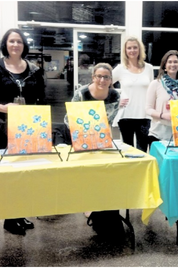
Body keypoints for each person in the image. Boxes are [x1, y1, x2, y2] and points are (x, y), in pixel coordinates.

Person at [0, 28, 46, 235]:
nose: (15, 45)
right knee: (8, 173)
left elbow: (41, 99)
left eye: (19, 41)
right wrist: (4, 107)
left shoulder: (35, 69)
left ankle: (19, 213)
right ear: (5, 44)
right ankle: (9, 219)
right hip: (3, 126)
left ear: (24, 45)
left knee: (25, 173)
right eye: (11, 41)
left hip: (28, 128)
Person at [63, 62, 120, 220]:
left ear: (111, 79)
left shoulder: (115, 95)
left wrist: (104, 139)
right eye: (99, 76)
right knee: (84, 171)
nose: (102, 80)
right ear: (93, 77)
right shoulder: (81, 93)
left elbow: (109, 120)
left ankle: (98, 203)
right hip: (81, 136)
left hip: (101, 137)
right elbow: (70, 118)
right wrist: (82, 136)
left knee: (101, 171)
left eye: (106, 77)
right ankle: (86, 204)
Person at [112, 37, 154, 152]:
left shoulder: (148, 68)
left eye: (135, 47)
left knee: (142, 150)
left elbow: (152, 90)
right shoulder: (120, 69)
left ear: (140, 49)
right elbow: (105, 83)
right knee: (128, 150)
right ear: (125, 51)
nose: (132, 50)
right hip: (126, 114)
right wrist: (116, 100)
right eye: (129, 48)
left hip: (145, 115)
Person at [146, 50, 178, 150]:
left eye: (176, 62)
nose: (173, 64)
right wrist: (163, 115)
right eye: (170, 62)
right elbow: (148, 109)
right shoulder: (155, 84)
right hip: (158, 134)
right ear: (164, 65)